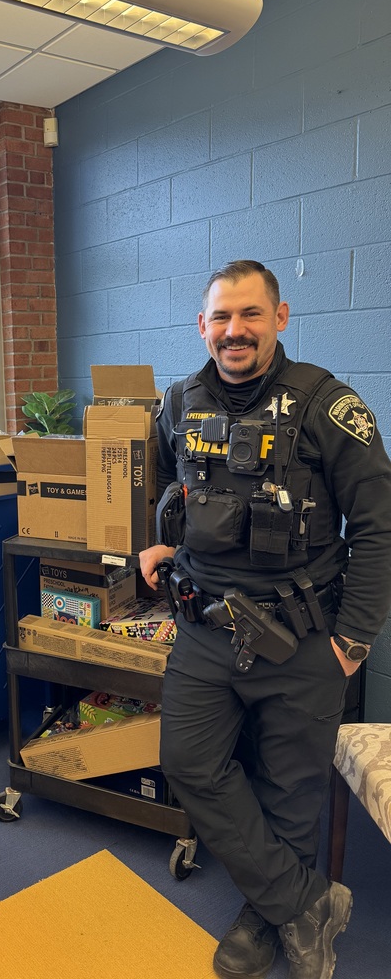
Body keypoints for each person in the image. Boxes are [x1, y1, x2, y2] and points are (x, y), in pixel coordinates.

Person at [139, 260, 391, 979]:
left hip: (305, 638)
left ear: (280, 319)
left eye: (250, 314)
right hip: (204, 629)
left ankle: (269, 913)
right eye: (221, 317)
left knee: (290, 787)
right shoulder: (178, 401)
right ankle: (303, 901)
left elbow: (378, 524)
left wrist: (354, 640)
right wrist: (164, 539)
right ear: (202, 326)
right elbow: (169, 481)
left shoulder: (327, 405)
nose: (234, 330)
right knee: (189, 763)